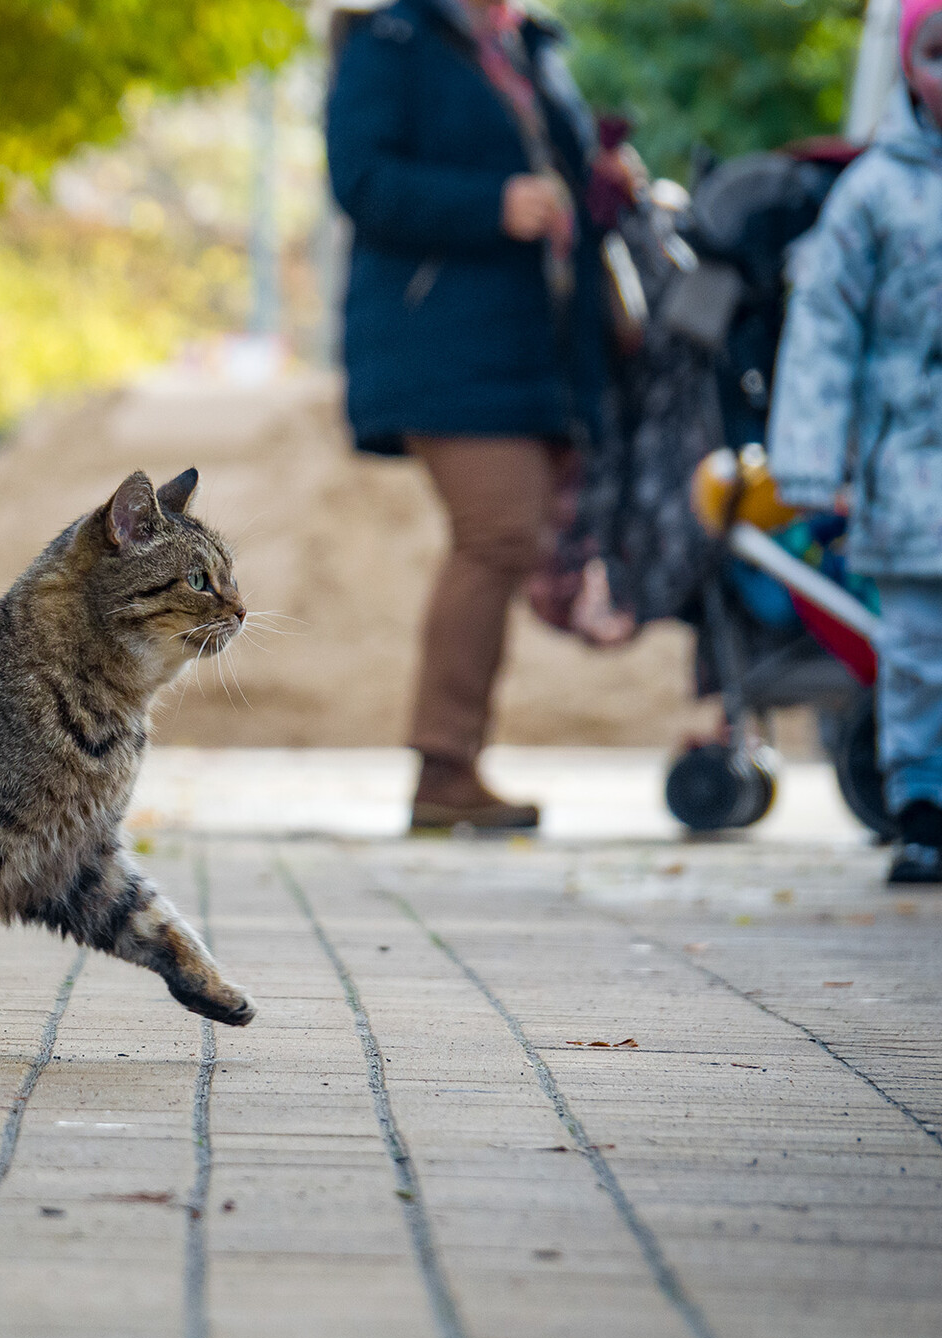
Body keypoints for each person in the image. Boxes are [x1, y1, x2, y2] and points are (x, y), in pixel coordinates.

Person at [327, 0, 609, 831]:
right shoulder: (393, 42)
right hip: (437, 344)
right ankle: (444, 766)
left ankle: (454, 765)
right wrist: (494, 204)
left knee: (505, 539)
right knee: (497, 534)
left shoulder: (528, 43)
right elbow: (363, 182)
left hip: (532, 346)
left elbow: (564, 168)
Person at [770, 0, 942, 885]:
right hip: (906, 464)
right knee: (913, 647)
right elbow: (823, 332)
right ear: (910, 66)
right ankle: (922, 804)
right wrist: (808, 455)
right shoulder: (872, 191)